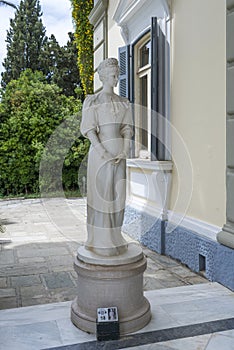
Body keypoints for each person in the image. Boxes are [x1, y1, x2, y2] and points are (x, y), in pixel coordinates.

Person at [80, 58, 133, 257]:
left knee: (118, 196)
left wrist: (125, 149)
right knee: (101, 196)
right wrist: (103, 152)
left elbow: (127, 128)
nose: (116, 78)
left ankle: (116, 236)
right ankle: (100, 239)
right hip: (100, 154)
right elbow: (89, 130)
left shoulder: (124, 102)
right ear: (103, 77)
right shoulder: (92, 101)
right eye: (112, 75)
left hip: (119, 153)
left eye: (118, 74)